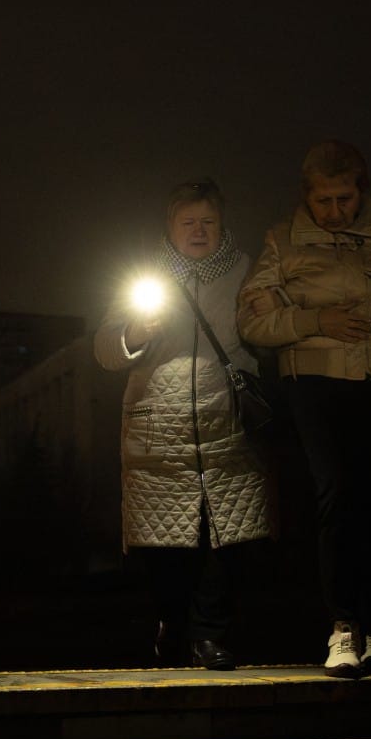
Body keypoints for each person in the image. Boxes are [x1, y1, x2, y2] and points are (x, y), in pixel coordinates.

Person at [238, 140, 371, 678]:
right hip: (317, 385)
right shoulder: (283, 241)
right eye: (323, 201)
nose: (333, 212)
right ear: (308, 195)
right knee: (337, 497)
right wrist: (314, 323)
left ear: (360, 190)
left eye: (344, 199)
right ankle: (343, 627)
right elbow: (250, 321)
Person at [94, 178, 274, 670]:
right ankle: (172, 624)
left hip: (228, 424)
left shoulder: (245, 272)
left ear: (223, 225)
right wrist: (133, 332)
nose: (198, 232)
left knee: (229, 540)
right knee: (166, 547)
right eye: (188, 222)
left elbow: (265, 334)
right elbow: (105, 349)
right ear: (170, 227)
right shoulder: (145, 276)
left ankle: (210, 635)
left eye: (208, 222)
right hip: (160, 428)